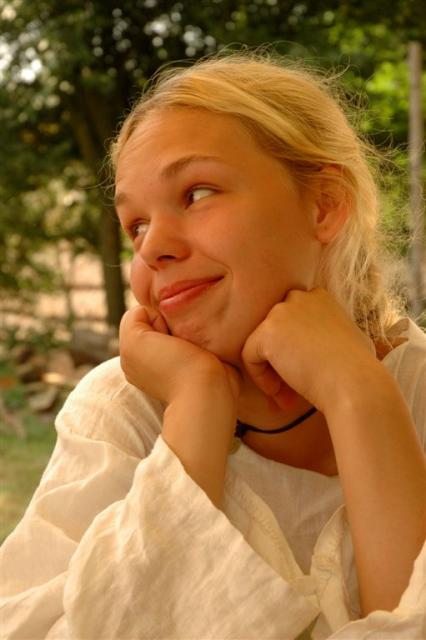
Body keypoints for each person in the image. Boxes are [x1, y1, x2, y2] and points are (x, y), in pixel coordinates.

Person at [1, 51, 425, 640]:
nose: (152, 248)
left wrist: (359, 394)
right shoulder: (123, 411)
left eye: (197, 193)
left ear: (324, 205)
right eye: (136, 226)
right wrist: (196, 407)